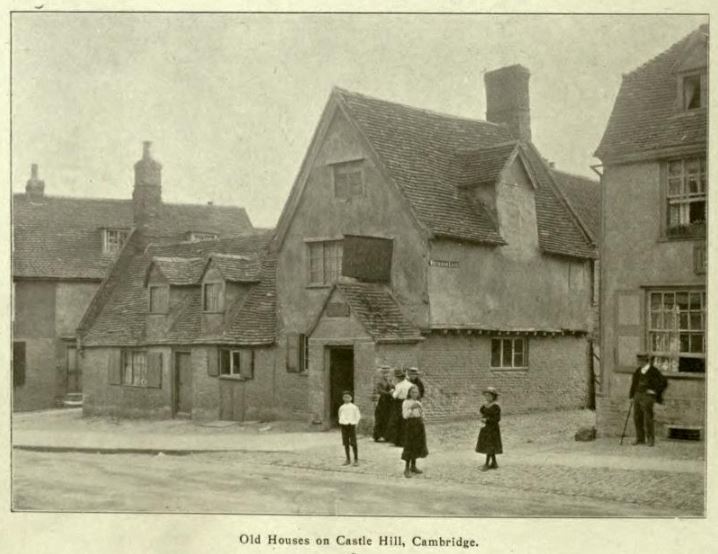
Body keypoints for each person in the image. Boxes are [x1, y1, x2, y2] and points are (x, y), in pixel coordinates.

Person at [629, 354, 668, 446]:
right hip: (637, 395)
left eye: (640, 361)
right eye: (638, 361)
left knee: (648, 418)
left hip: (648, 396)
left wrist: (654, 391)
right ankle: (640, 438)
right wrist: (631, 396)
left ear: (645, 361)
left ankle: (650, 439)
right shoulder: (638, 371)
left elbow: (664, 382)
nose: (638, 363)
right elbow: (634, 384)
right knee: (637, 417)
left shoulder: (653, 371)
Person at [401, 384, 428, 478]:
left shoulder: (418, 402)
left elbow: (422, 413)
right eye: (412, 392)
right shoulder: (406, 402)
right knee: (409, 445)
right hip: (410, 424)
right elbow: (405, 416)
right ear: (409, 393)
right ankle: (406, 468)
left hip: (418, 424)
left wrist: (422, 416)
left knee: (417, 445)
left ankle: (413, 466)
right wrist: (411, 408)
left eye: (416, 392)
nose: (414, 394)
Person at [475, 386, 502, 471]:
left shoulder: (496, 406)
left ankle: (487, 464)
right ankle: (494, 463)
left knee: (490, 445)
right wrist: (483, 418)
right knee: (489, 445)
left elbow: (497, 419)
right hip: (486, 428)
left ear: (493, 396)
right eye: (486, 396)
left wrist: (487, 420)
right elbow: (482, 412)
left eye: (489, 396)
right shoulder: (485, 405)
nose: (487, 398)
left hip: (493, 429)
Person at [385, 368, 413, 446]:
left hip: (399, 404)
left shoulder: (399, 385)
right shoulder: (410, 384)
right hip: (408, 402)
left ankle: (399, 441)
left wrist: (392, 392)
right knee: (406, 420)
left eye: (397, 378)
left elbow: (395, 396)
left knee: (398, 421)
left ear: (399, 378)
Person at [338, 390, 361, 466]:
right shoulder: (341, 407)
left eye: (348, 397)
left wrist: (355, 423)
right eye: (344, 397)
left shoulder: (354, 407)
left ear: (351, 398)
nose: (346, 399)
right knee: (346, 443)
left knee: (353, 443)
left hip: (351, 425)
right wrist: (342, 422)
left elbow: (358, 416)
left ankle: (356, 459)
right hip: (344, 426)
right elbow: (340, 415)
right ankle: (348, 459)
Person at [372, 365, 394, 442]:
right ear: (382, 373)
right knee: (380, 418)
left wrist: (393, 390)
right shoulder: (379, 381)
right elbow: (379, 391)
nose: (386, 374)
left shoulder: (389, 381)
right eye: (384, 373)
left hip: (388, 402)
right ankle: (377, 436)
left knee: (387, 418)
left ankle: (386, 435)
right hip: (382, 401)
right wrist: (389, 393)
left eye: (387, 373)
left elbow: (393, 387)